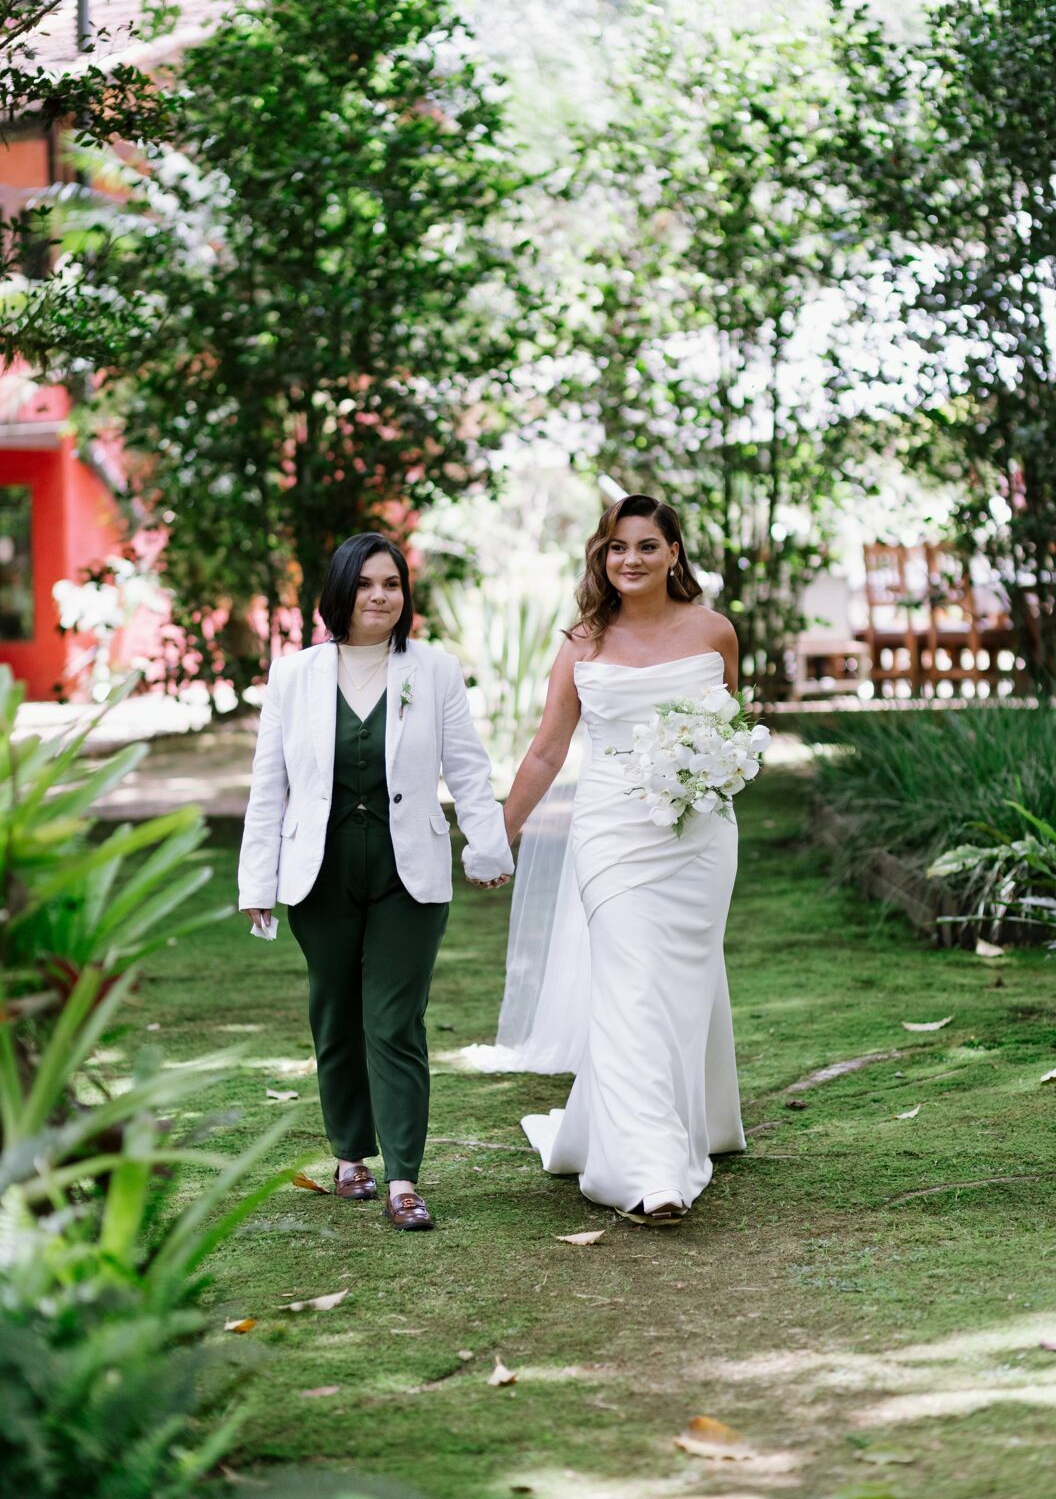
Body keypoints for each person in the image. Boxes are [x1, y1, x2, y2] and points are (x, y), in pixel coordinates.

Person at [238, 534, 512, 1230]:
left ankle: (404, 1180)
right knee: (334, 1016)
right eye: (365, 584)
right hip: (320, 871)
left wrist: (488, 843)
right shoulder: (294, 676)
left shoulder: (434, 669)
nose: (381, 595)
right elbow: (268, 785)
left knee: (393, 1022)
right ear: (339, 592)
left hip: (407, 872)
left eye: (391, 583)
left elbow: (468, 767)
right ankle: (349, 1155)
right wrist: (256, 878)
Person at [500, 494, 745, 1225]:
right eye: (615, 548)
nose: (629, 559)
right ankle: (650, 1169)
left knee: (679, 986)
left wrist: (715, 772)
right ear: (600, 560)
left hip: (699, 836)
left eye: (645, 545)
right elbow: (547, 749)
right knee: (629, 987)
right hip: (610, 831)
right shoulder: (581, 642)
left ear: (673, 553)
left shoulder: (714, 631)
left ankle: (685, 1121)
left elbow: (727, 732)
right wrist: (497, 833)